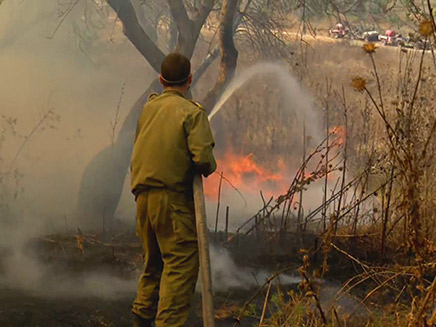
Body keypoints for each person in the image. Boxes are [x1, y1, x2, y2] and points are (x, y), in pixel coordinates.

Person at [130, 53, 217, 327]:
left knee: (153, 264)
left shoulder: (148, 109)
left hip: (143, 201)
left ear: (160, 80)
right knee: (181, 266)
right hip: (172, 201)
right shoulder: (192, 113)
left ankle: (141, 317)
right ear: (189, 80)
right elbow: (204, 160)